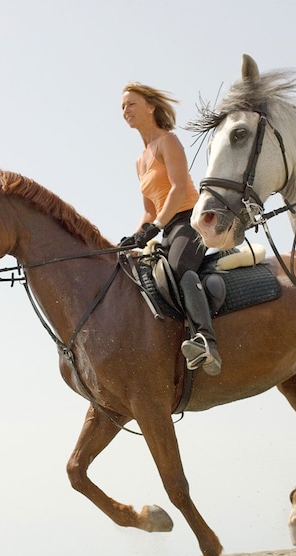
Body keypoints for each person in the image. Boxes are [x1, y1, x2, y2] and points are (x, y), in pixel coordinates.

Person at [119, 82, 222, 374]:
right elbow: (149, 210)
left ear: (150, 107)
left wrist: (156, 226)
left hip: (190, 220)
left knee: (177, 269)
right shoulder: (140, 161)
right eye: (123, 107)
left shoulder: (168, 142)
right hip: (165, 226)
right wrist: (131, 240)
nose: (125, 110)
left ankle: (206, 341)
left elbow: (178, 190)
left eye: (131, 104)